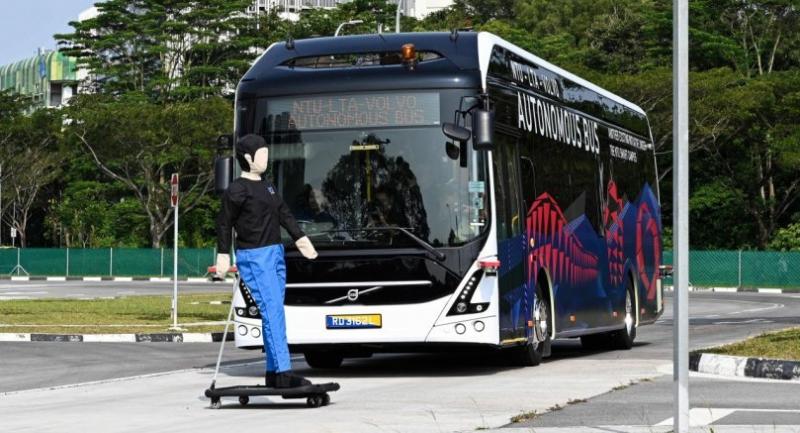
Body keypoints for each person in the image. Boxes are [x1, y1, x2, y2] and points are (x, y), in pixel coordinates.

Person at [215, 134, 319, 389]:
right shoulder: (236, 189)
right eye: (261, 154)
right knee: (272, 312)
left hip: (275, 254)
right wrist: (223, 254)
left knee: (275, 312)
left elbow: (284, 213)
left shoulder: (269, 187)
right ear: (248, 158)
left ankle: (274, 371)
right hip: (255, 256)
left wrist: (301, 238)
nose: (266, 158)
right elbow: (224, 223)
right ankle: (283, 372)